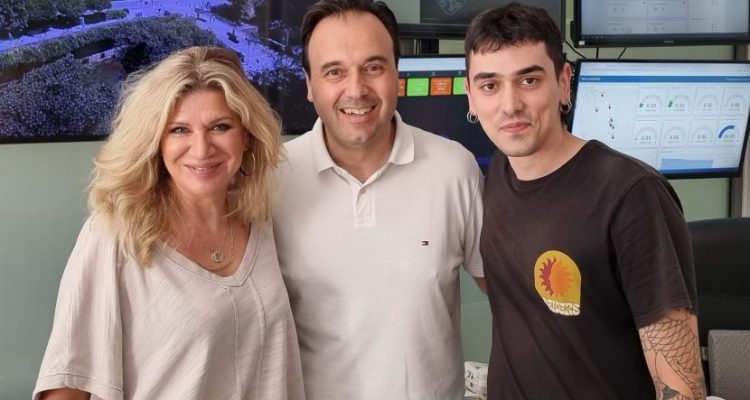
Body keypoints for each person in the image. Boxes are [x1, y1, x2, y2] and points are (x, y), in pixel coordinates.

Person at [463, 3, 706, 399]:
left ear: (563, 83)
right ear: (471, 96)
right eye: (490, 85)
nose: (510, 105)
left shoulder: (631, 194)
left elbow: (680, 383)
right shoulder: (498, 176)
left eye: (529, 80)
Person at [33, 47, 304, 400]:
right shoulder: (115, 237)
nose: (201, 148)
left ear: (247, 135)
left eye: (220, 126)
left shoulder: (263, 221)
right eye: (179, 130)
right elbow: (67, 387)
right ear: (155, 142)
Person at [271, 0, 485, 398]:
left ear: (396, 75)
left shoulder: (455, 169)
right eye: (334, 71)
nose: (356, 90)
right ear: (310, 84)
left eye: (373, 67)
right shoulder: (271, 180)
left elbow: (513, 301)